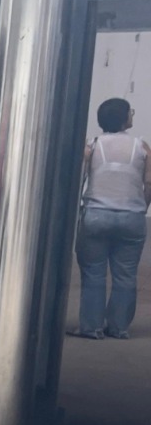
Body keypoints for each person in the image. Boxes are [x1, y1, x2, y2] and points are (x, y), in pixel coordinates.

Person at [71, 97, 150, 340]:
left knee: (93, 273)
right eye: (130, 112)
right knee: (125, 274)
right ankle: (118, 327)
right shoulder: (142, 147)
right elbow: (149, 183)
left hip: (96, 216)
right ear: (125, 118)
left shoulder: (92, 145)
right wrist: (142, 207)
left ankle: (91, 328)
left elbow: (78, 178)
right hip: (132, 217)